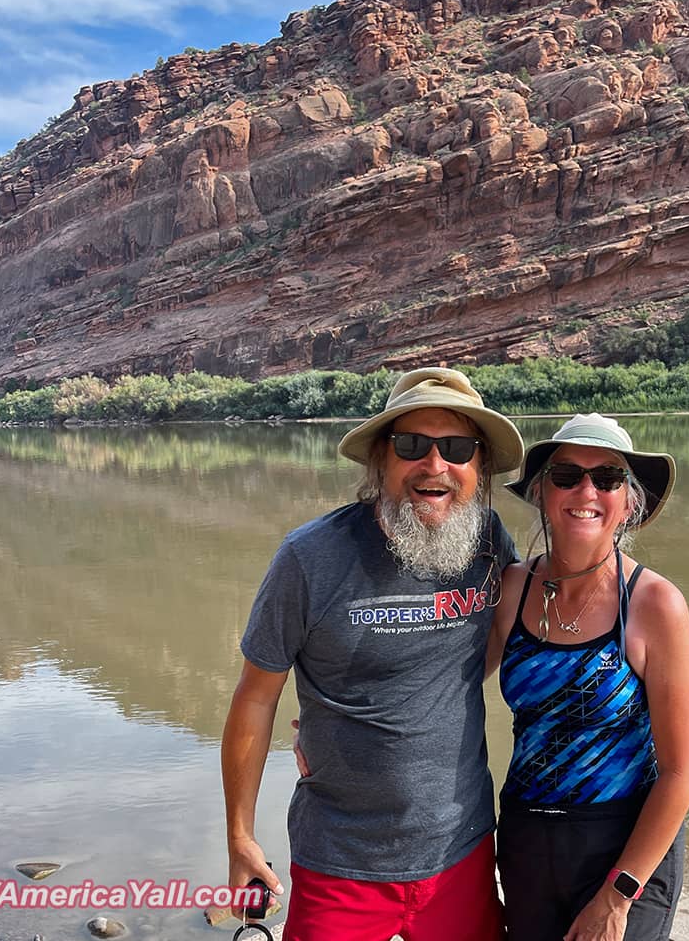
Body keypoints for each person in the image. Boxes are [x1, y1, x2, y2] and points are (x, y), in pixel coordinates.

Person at [221, 367, 524, 941]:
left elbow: (483, 653)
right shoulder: (309, 558)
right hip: (338, 859)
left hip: (461, 850)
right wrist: (240, 837)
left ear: (478, 465)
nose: (435, 466)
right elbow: (255, 699)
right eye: (412, 445)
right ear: (381, 459)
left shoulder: (488, 541)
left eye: (457, 448)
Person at [488, 413, 689, 941]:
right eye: (567, 476)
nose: (586, 490)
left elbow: (682, 773)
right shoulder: (513, 587)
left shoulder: (654, 604)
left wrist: (617, 895)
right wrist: (335, 724)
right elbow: (442, 681)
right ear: (541, 493)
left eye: (607, 478)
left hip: (623, 844)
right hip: (526, 836)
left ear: (628, 501)